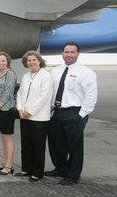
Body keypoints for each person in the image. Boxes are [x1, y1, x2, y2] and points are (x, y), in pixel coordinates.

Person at [45, 42, 97, 185]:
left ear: (78, 54)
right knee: (56, 144)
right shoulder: (56, 71)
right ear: (62, 53)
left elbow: (91, 95)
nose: (69, 55)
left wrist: (81, 114)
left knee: (74, 146)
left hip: (74, 113)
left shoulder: (86, 72)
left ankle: (73, 174)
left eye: (72, 52)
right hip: (56, 113)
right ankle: (61, 168)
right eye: (66, 52)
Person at [16, 50, 53, 182]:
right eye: (28, 61)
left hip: (39, 117)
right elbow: (20, 93)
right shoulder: (26, 76)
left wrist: (30, 111)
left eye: (33, 60)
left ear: (39, 61)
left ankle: (37, 172)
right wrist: (20, 109)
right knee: (26, 145)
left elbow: (44, 96)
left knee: (38, 146)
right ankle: (26, 168)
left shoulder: (46, 76)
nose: (31, 62)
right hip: (24, 116)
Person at [0, 52, 17, 175]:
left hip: (6, 110)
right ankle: (5, 162)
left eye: (3, 61)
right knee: (3, 136)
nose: (1, 63)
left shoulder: (10, 74)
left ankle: (9, 166)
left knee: (8, 137)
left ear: (8, 62)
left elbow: (8, 92)